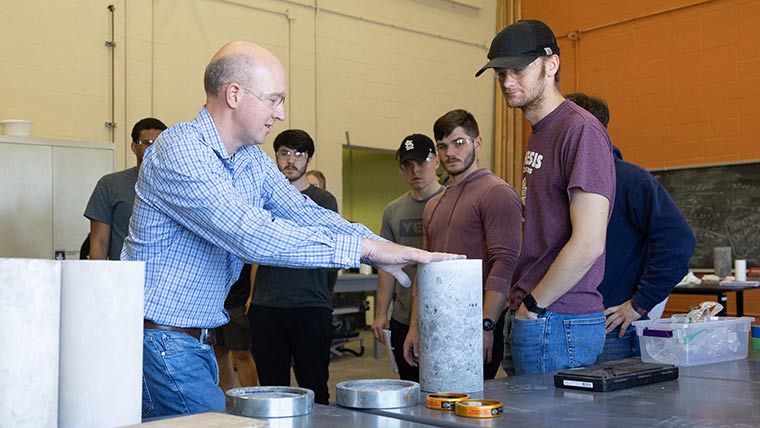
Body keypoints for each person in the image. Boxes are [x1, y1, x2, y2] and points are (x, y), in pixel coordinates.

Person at [122, 41, 462, 419]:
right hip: (160, 342)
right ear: (234, 94)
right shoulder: (180, 149)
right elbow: (250, 233)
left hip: (193, 342)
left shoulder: (251, 161)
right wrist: (362, 251)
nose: (280, 114)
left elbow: (304, 212)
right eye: (273, 100)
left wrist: (387, 247)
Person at [475, 20, 616, 375]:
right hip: (537, 314)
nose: (507, 82)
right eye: (501, 73)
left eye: (519, 71)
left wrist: (534, 307)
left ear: (551, 64)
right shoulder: (541, 133)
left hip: (559, 318)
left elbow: (588, 244)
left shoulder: (580, 130)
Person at [565, 92, 696, 363]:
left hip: (612, 331)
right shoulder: (561, 184)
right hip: (564, 325)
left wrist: (639, 304)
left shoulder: (630, 180)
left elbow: (679, 243)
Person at [403, 110, 522, 380]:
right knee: (435, 403)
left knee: (472, 410)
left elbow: (505, 265)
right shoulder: (434, 204)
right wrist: (415, 326)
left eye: (459, 143)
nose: (450, 153)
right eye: (443, 146)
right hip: (438, 323)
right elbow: (425, 270)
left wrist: (486, 326)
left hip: (478, 323)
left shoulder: (497, 193)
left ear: (477, 143)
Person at [247, 129, 339, 405]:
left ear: (309, 159)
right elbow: (255, 246)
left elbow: (326, 249)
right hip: (268, 307)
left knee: (315, 390)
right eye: (285, 153)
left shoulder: (323, 200)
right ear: (275, 156)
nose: (291, 160)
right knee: (272, 392)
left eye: (298, 154)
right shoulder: (261, 199)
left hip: (310, 307)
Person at [371, 133, 445, 382]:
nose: (415, 170)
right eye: (407, 165)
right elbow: (386, 267)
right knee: (410, 388)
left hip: (442, 314)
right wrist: (381, 313)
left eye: (421, 162)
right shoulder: (393, 210)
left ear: (436, 161)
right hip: (403, 316)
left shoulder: (453, 202)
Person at [84, 117, 167, 260]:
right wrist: (97, 279)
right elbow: (99, 242)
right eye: (148, 143)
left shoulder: (178, 185)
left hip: (167, 277)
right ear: (134, 147)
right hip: (124, 276)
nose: (154, 149)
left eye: (161, 143)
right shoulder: (110, 185)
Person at [213, 264, 259, 392]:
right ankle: (224, 399)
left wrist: (252, 295)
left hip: (239, 299)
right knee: (219, 350)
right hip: (216, 300)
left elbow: (255, 263)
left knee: (241, 352)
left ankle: (252, 398)